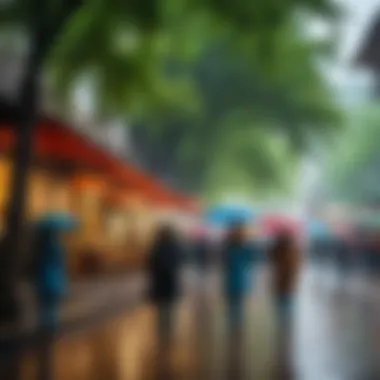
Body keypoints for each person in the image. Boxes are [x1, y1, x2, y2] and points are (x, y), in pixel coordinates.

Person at [147, 224, 182, 347]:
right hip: (163, 279)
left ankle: (166, 326)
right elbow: (151, 262)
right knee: (164, 304)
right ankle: (165, 326)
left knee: (166, 304)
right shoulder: (164, 247)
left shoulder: (162, 247)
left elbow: (151, 262)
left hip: (165, 278)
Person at [222, 221, 257, 333]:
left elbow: (225, 263)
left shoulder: (229, 248)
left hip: (233, 278)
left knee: (233, 302)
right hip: (240, 278)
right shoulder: (245, 248)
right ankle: (237, 324)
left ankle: (233, 324)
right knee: (238, 303)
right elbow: (250, 262)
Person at [268, 230, 300, 326]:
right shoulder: (291, 249)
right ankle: (285, 317)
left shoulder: (279, 249)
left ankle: (282, 316)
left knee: (282, 296)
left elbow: (272, 259)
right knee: (286, 296)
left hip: (282, 276)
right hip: (286, 276)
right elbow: (296, 263)